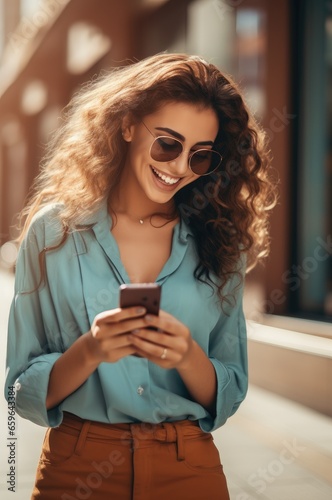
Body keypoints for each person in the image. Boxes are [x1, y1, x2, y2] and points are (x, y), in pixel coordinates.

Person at [5, 53, 276, 499]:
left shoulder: (222, 243)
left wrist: (187, 356)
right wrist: (90, 351)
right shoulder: (53, 233)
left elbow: (230, 386)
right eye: (168, 144)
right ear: (128, 124)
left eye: (200, 155)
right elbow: (19, 389)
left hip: (189, 470)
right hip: (77, 469)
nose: (179, 167)